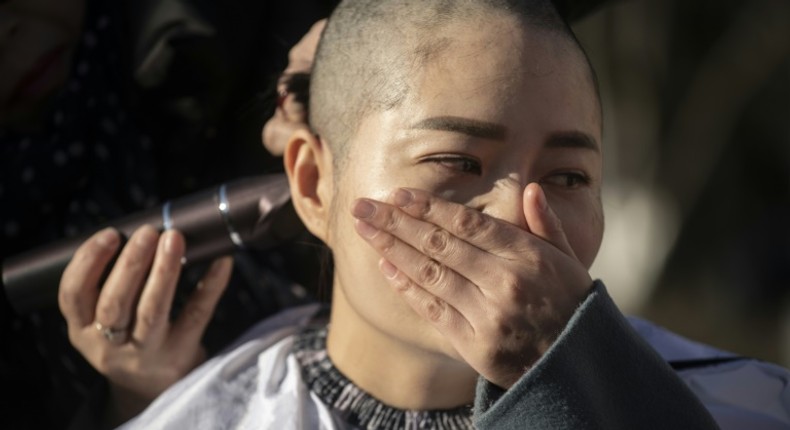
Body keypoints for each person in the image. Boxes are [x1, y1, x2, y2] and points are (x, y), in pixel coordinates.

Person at [58, 0, 789, 428]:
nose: (521, 217)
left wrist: (582, 384)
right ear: (314, 184)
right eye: (456, 164)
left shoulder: (750, 405)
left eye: (569, 175)